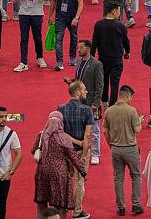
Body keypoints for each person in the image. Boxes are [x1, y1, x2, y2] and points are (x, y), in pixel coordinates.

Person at [33, 111, 88, 218]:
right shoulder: (64, 138)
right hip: (60, 174)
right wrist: (83, 171)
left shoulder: (41, 135)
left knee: (41, 203)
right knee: (60, 204)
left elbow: (33, 150)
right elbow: (73, 157)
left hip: (42, 173)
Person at [102, 85, 144, 216]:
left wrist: (111, 145)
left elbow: (105, 131)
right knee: (136, 176)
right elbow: (137, 130)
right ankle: (136, 204)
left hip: (115, 148)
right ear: (128, 96)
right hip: (130, 148)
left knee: (118, 179)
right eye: (131, 97)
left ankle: (121, 207)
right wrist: (139, 122)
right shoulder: (132, 111)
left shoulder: (109, 111)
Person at [57, 81, 94, 218]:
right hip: (80, 151)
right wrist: (84, 153)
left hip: (65, 151)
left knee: (65, 180)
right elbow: (87, 135)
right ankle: (77, 211)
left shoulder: (61, 109)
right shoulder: (87, 110)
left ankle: (63, 210)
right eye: (84, 89)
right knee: (79, 181)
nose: (86, 92)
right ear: (78, 92)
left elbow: (60, 132)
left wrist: (72, 141)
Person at [91, 2, 131, 106]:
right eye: (119, 11)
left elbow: (94, 42)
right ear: (113, 11)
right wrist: (127, 52)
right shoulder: (120, 26)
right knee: (115, 83)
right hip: (116, 59)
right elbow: (126, 42)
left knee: (103, 81)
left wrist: (91, 57)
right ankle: (112, 104)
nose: (119, 13)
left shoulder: (98, 25)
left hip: (102, 58)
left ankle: (104, 101)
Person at [11, 0, 49, 72]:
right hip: (24, 13)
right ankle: (23, 62)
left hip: (37, 13)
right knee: (24, 38)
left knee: (37, 37)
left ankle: (40, 57)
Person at [50, 0, 84, 70]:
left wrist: (77, 17)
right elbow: (53, 1)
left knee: (74, 37)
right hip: (60, 16)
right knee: (58, 38)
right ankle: (59, 61)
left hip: (73, 16)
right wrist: (50, 15)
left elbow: (81, 3)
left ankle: (72, 57)